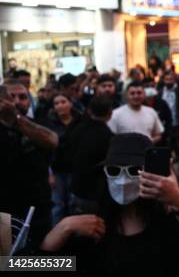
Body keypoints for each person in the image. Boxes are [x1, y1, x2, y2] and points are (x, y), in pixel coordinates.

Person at [40, 133, 179, 276]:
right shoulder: (92, 227)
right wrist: (62, 228)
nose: (123, 180)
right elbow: (27, 266)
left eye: (133, 170)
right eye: (114, 170)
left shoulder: (167, 219)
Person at [0, 81, 58, 246]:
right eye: (12, 97)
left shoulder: (39, 122)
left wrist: (16, 119)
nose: (17, 101)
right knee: (9, 263)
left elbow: (52, 141)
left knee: (41, 260)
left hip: (37, 209)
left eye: (23, 97)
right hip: (5, 211)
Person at [71, 96, 115, 215]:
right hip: (97, 193)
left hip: (77, 188)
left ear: (90, 111)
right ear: (110, 113)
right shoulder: (109, 137)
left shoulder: (77, 129)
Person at [44, 93, 82, 225]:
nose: (60, 105)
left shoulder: (80, 121)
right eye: (56, 103)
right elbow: (47, 151)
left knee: (74, 204)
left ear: (70, 103)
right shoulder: (49, 124)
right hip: (57, 170)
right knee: (57, 205)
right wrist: (50, 173)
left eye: (63, 102)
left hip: (75, 169)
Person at [158, 71, 179, 163]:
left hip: (178, 119)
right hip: (165, 122)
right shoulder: (161, 91)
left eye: (171, 79)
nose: (169, 81)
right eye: (167, 79)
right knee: (169, 141)